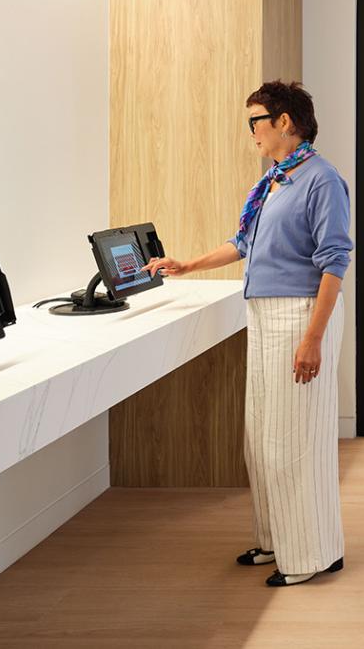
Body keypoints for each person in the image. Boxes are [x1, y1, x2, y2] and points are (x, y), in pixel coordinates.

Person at [144, 81, 351, 587]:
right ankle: (277, 538)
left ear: (284, 122)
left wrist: (313, 339)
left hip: (301, 314)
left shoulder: (321, 180)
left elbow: (334, 263)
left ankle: (311, 555)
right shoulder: (276, 180)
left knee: (294, 438)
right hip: (264, 314)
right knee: (261, 437)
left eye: (255, 120)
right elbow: (243, 242)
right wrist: (187, 263)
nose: (251, 132)